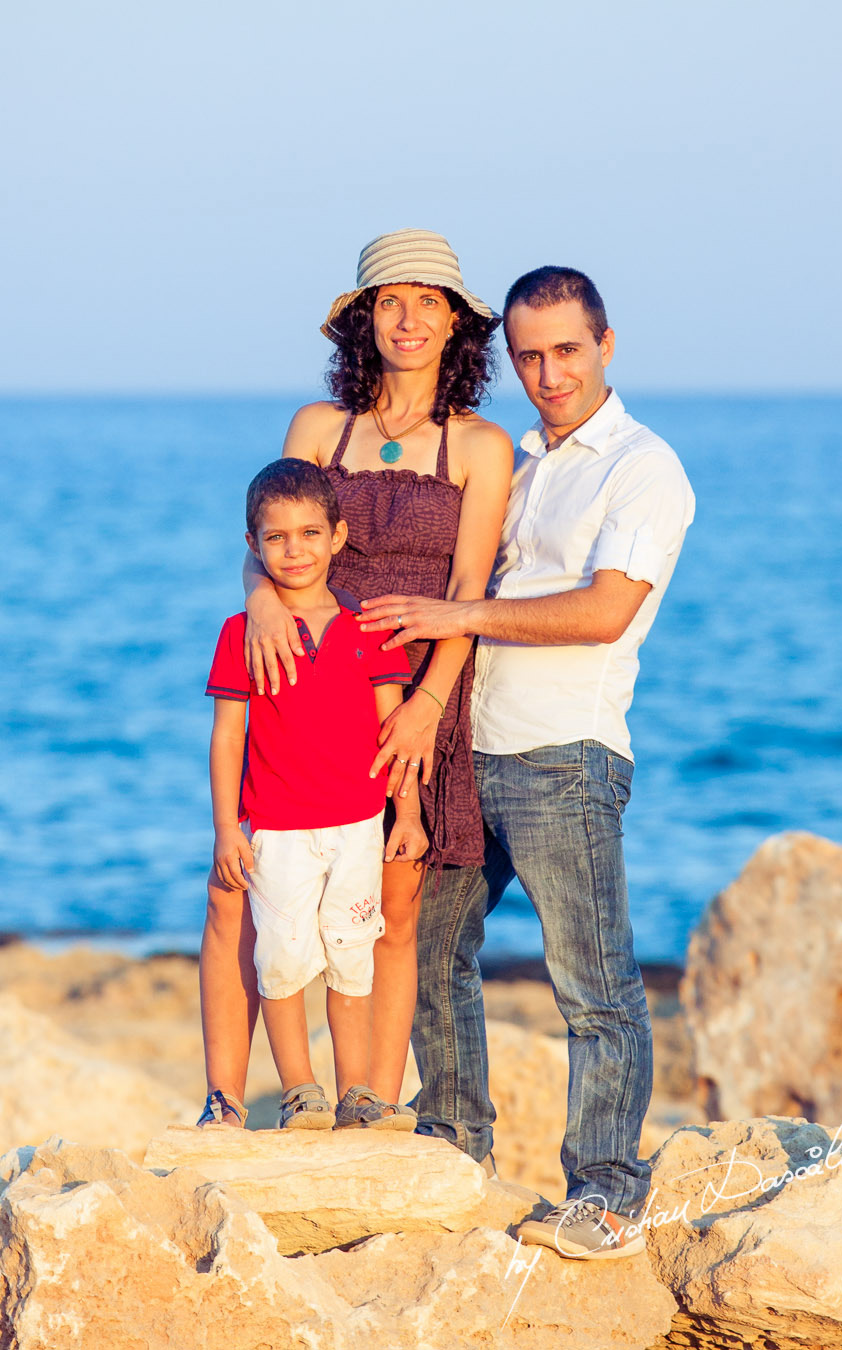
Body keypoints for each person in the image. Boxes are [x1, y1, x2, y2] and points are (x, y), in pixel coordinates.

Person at [358, 265, 696, 1255]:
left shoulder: (643, 465)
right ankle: (456, 1147)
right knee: (426, 952)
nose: (550, 374)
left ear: (607, 344)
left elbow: (604, 609)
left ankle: (605, 1194)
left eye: (568, 351)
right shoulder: (519, 459)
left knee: (592, 986)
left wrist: (459, 615)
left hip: (565, 756)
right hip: (466, 747)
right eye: (531, 356)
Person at [198, 229, 513, 1126]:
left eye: (428, 301)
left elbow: (469, 593)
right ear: (361, 320)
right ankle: (225, 1096)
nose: (408, 319)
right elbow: (271, 533)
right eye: (388, 300)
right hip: (294, 681)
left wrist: (425, 706)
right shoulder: (317, 426)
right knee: (244, 894)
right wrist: (260, 598)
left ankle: (365, 1101)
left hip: (411, 695)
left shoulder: (480, 447)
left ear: (455, 322)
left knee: (390, 905)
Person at [199, 458, 426, 1131]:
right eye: (276, 538)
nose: (293, 550)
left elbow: (396, 734)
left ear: (338, 536)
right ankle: (300, 1090)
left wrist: (406, 812)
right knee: (284, 956)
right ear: (252, 546)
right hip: (276, 828)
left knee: (352, 954)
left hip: (358, 825)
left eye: (308, 533)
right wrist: (225, 829)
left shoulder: (368, 630)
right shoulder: (242, 635)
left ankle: (356, 1091)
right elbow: (227, 739)